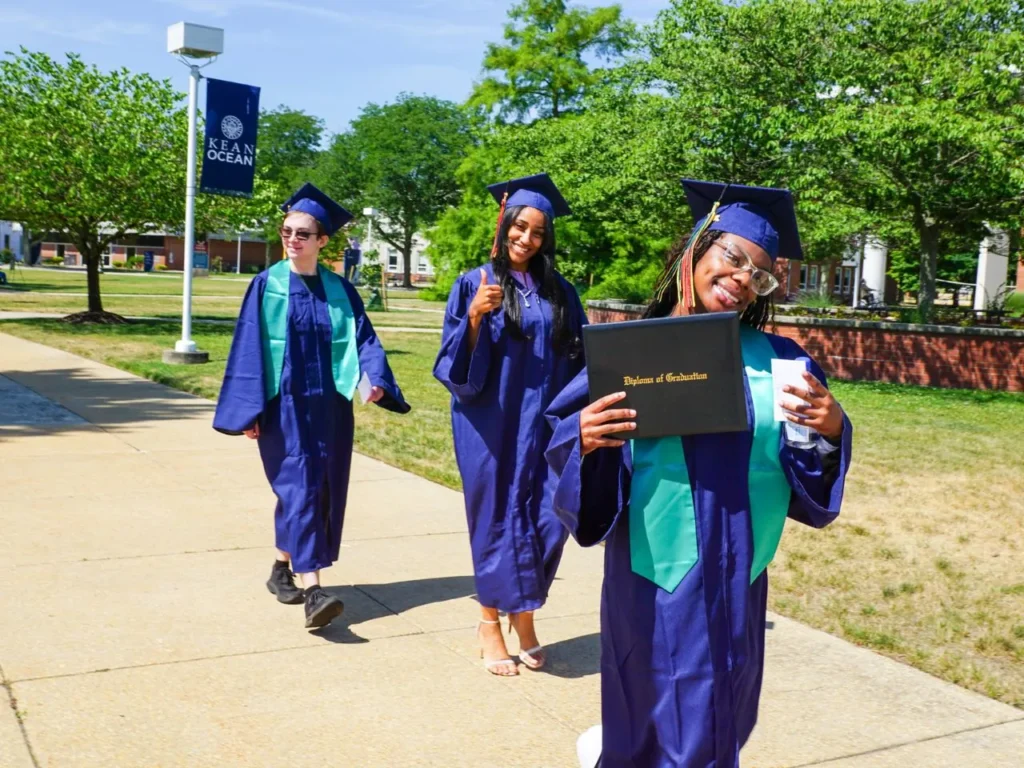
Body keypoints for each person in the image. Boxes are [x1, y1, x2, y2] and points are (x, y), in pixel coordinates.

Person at [545, 180, 854, 766]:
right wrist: (584, 440)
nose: (743, 278)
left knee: (722, 717)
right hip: (654, 574)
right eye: (733, 257)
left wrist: (833, 429)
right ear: (695, 250)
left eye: (759, 274)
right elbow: (569, 438)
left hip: (740, 568)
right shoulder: (634, 352)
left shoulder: (783, 361)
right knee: (650, 717)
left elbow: (810, 467)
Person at [213, 182, 410, 630]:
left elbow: (364, 340)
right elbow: (248, 348)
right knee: (299, 486)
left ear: (322, 241)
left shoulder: (340, 290)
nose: (292, 240)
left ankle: (282, 568)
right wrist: (248, 410)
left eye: (303, 234)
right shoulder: (266, 285)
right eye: (286, 232)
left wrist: (375, 380)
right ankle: (314, 591)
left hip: (330, 409)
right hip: (281, 408)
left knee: (316, 489)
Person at [433, 173, 589, 676]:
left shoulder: (561, 292)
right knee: (499, 521)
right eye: (519, 227)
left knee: (549, 518)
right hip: (492, 426)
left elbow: (581, 359)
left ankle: (524, 616)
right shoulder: (475, 283)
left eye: (538, 232)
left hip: (546, 426)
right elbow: (454, 372)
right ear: (503, 227)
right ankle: (489, 624)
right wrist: (475, 319)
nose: (526, 238)